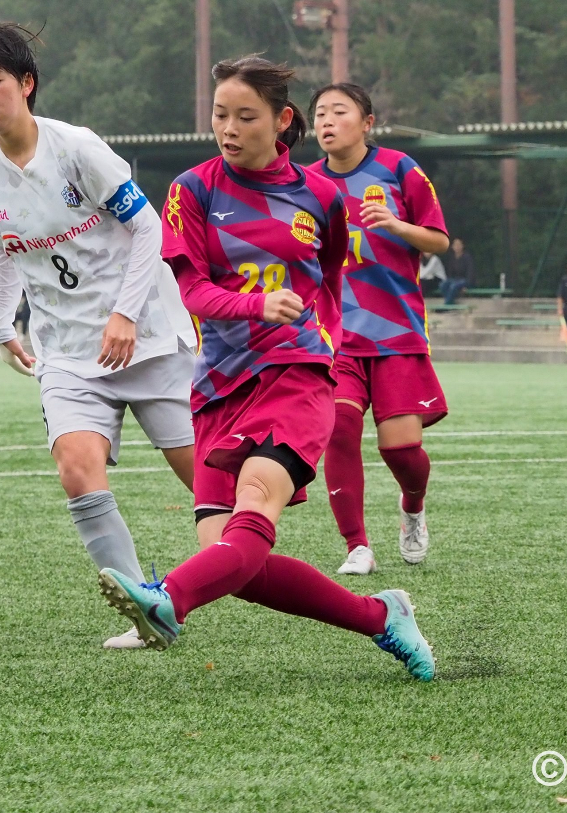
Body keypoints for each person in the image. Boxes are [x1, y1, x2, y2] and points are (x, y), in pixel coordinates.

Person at [97, 55, 435, 682]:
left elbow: (330, 275)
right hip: (220, 385)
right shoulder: (191, 189)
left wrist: (324, 338)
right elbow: (192, 290)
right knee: (234, 561)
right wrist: (258, 305)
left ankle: (167, 598)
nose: (228, 127)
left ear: (281, 120)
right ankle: (381, 617)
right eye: (220, 114)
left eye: (244, 116)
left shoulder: (322, 195)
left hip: (297, 371)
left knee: (257, 498)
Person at [0, 22, 198, 651]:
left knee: (206, 481)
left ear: (27, 84)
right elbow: (7, 248)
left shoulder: (76, 148)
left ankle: (257, 519)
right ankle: (148, 614)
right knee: (76, 469)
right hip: (64, 349)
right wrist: (0, 322)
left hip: (144, 335)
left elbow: (149, 231)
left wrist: (122, 312)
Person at [306, 82, 450, 575]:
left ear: (367, 122)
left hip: (396, 335)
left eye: (338, 111)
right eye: (320, 113)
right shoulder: (305, 184)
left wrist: (394, 225)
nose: (327, 121)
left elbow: (438, 242)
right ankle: (357, 545)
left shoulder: (400, 169)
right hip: (333, 338)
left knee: (403, 451)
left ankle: (412, 506)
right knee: (339, 430)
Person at [441, 236, 475, 305]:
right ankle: (450, 301)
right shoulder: (452, 258)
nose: (457, 247)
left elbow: (470, 272)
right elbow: (449, 272)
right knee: (443, 285)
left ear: (462, 246)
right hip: (454, 279)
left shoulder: (467, 257)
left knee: (453, 286)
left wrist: (466, 286)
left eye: (459, 245)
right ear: (452, 247)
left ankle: (447, 305)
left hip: (464, 280)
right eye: (455, 245)